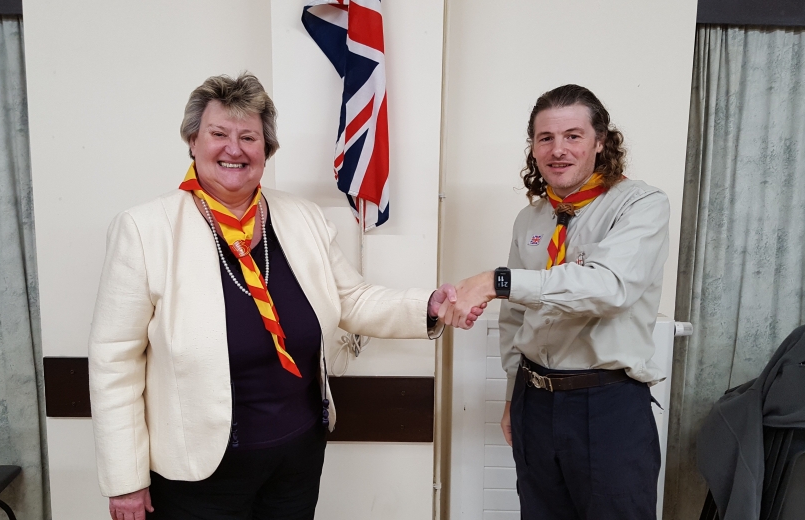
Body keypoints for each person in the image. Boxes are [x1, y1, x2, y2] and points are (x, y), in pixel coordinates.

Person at [88, 72, 482, 520]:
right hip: (198, 473)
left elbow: (350, 299)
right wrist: (125, 481)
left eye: (249, 137)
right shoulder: (144, 229)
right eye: (219, 133)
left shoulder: (301, 217)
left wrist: (426, 306)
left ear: (266, 150)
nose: (233, 149)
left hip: (295, 457)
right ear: (193, 141)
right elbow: (113, 360)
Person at [439, 84, 670, 519]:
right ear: (533, 148)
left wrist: (498, 280)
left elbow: (608, 287)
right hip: (535, 401)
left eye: (573, 136)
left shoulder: (641, 204)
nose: (557, 149)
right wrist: (513, 395)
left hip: (607, 404)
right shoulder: (532, 217)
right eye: (545, 138)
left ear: (601, 142)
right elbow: (515, 318)